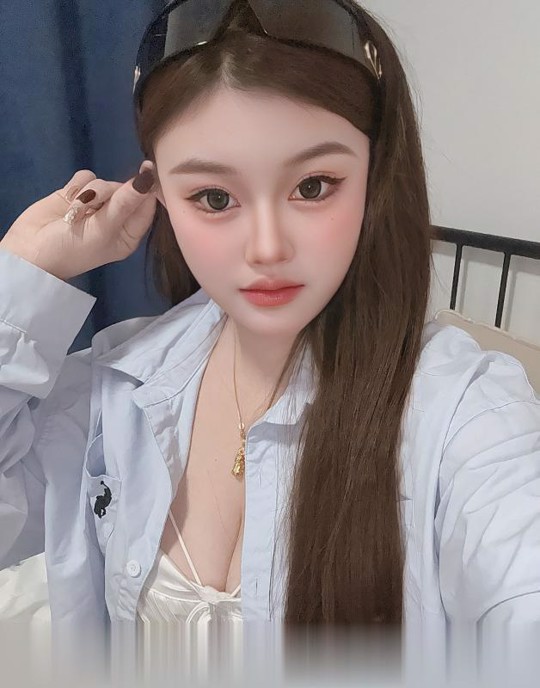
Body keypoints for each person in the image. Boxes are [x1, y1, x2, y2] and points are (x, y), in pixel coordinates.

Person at [1, 0, 539, 685]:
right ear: (159, 192)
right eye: (213, 198)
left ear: (375, 175)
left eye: (313, 186)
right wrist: (29, 269)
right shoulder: (120, 385)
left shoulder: (465, 415)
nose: (266, 248)